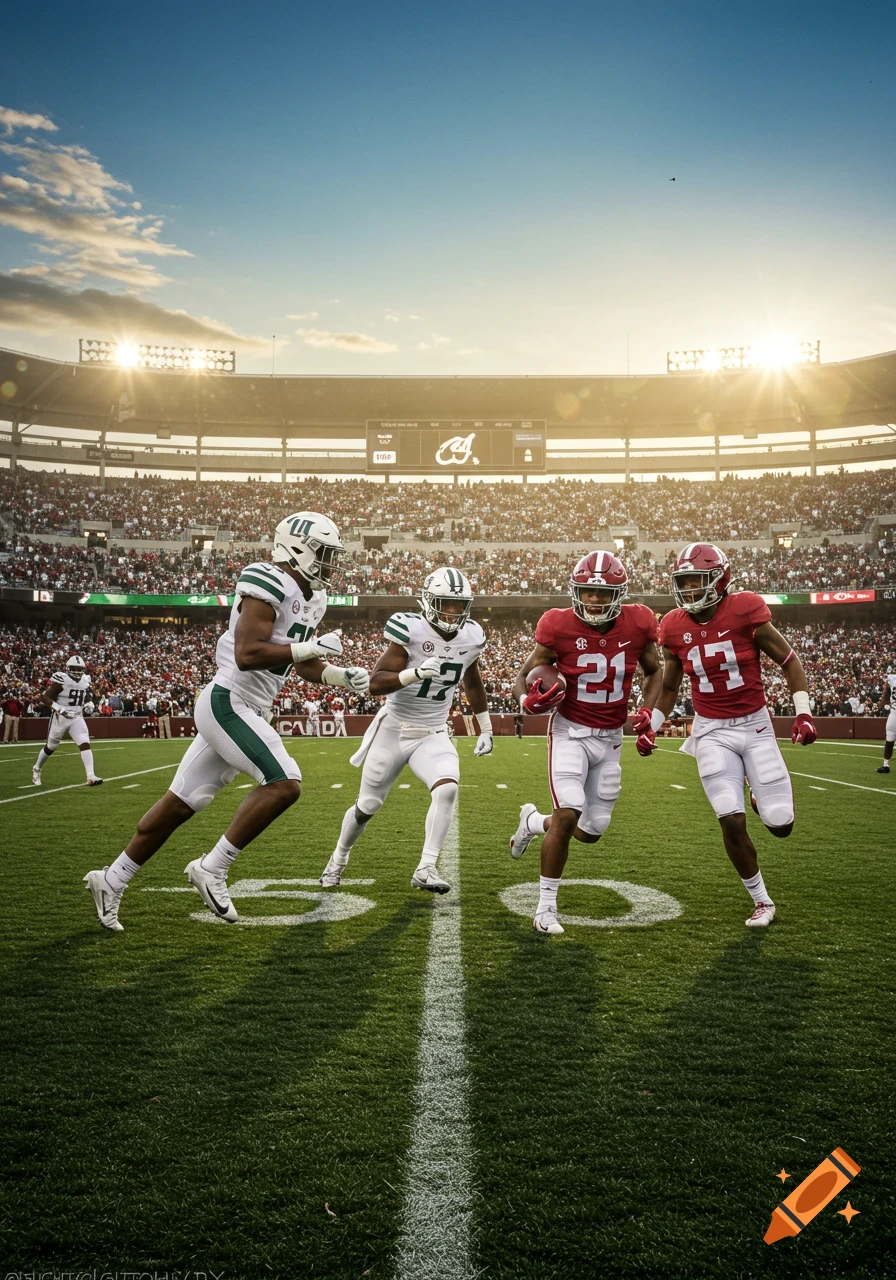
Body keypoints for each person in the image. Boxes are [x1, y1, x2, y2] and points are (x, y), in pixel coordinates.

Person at [83, 512, 369, 932]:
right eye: (325, 554)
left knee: (182, 802)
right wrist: (309, 647)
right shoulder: (267, 579)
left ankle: (111, 880)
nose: (331, 564)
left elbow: (298, 661)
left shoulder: (315, 598)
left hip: (252, 706)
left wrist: (337, 676)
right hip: (229, 699)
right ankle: (212, 867)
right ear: (297, 548)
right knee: (284, 783)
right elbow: (248, 653)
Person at [636, 543, 816, 928]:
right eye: (683, 582)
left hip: (755, 726)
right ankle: (762, 901)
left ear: (720, 579)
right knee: (729, 820)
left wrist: (803, 711)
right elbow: (669, 689)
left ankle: (757, 794)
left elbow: (789, 661)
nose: (688, 590)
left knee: (781, 824)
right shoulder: (673, 625)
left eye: (696, 581)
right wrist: (651, 726)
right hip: (712, 731)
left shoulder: (746, 609)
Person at [509, 551, 661, 935]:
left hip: (610, 737)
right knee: (569, 812)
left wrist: (649, 709)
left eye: (601, 593)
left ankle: (531, 822)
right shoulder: (558, 625)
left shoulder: (639, 622)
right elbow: (523, 675)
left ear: (619, 594)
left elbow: (655, 671)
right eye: (587, 592)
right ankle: (545, 910)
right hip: (570, 732)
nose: (593, 600)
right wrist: (524, 700)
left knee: (591, 831)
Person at [319, 567, 492, 894]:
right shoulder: (410, 630)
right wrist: (414, 674)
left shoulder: (471, 636)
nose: (453, 612)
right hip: (394, 729)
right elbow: (375, 683)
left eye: (458, 605)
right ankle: (338, 859)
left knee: (448, 787)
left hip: (433, 732)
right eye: (445, 603)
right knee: (367, 806)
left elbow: (471, 680)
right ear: (428, 601)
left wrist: (485, 727)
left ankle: (426, 866)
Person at [32, 656, 103, 787]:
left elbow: (84, 695)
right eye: (74, 669)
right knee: (51, 747)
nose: (77, 672)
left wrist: (89, 703)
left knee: (84, 742)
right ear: (68, 669)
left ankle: (90, 775)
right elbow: (45, 697)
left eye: (79, 669)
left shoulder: (84, 680)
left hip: (76, 716)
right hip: (60, 717)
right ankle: (37, 768)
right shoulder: (61, 680)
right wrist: (58, 708)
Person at [876, 667, 896, 773]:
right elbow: (887, 690)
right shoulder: (892, 678)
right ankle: (886, 765)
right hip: (894, 712)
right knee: (889, 738)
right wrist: (883, 702)